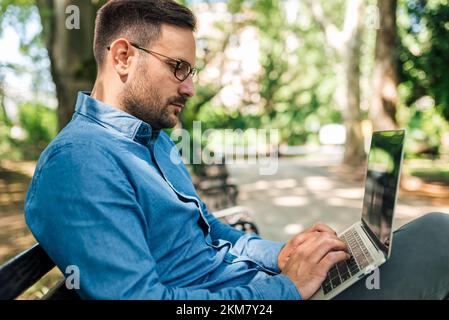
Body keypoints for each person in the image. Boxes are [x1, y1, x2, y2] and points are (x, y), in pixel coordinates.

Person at [25, 0, 449, 300]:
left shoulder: (154, 142)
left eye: (191, 71)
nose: (190, 87)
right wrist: (286, 288)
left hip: (260, 287)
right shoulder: (79, 164)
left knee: (429, 238)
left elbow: (215, 232)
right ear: (122, 56)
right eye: (179, 68)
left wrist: (282, 255)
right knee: (438, 237)